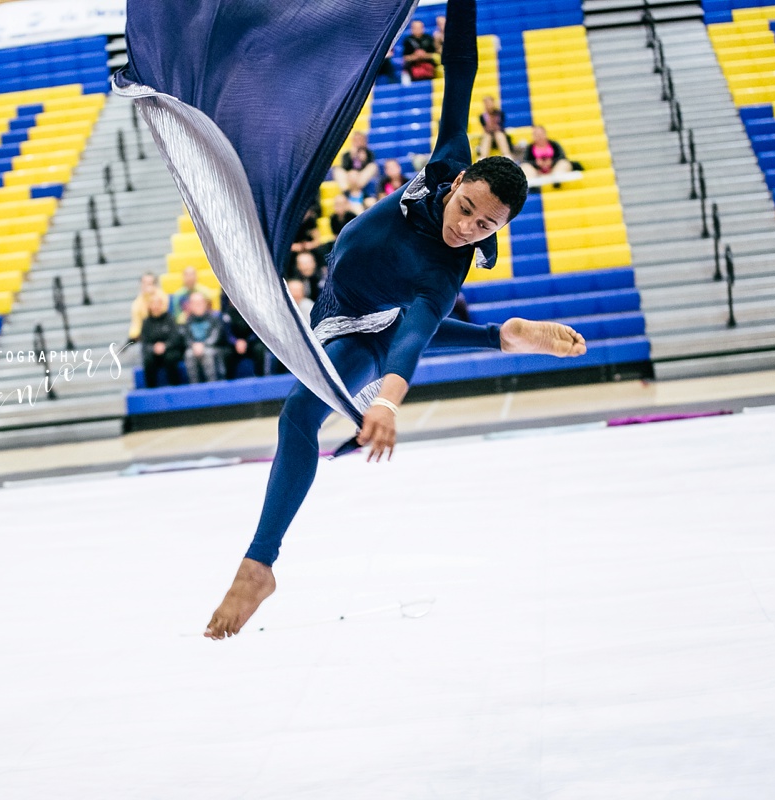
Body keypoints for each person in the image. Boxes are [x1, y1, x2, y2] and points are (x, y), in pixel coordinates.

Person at [204, 0, 587, 639]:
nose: (466, 227)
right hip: (337, 295)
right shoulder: (446, 160)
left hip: (358, 325)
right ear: (459, 178)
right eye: (467, 208)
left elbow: (411, 337)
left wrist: (388, 402)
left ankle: (258, 565)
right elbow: (459, 66)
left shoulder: (443, 274)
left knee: (299, 416)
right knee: (315, 396)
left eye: (486, 227)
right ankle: (505, 335)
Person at [139, 292, 184, 388]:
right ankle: (151, 390)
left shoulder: (170, 318)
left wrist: (165, 346)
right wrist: (153, 348)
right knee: (148, 360)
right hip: (153, 353)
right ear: (149, 306)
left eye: (157, 303)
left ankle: (175, 387)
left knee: (170, 358)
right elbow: (145, 342)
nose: (155, 306)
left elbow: (175, 338)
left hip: (169, 350)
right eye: (153, 303)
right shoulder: (146, 322)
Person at [220, 292, 268, 379]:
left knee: (260, 349)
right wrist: (236, 342)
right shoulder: (226, 314)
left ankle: (261, 377)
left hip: (250, 343)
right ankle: (228, 380)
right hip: (234, 345)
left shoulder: (252, 312)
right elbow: (227, 333)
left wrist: (247, 341)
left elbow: (256, 331)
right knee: (226, 353)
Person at [181, 291, 226, 382]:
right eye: (194, 303)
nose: (198, 305)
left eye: (200, 303)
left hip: (212, 348)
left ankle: (212, 384)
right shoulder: (187, 321)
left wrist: (203, 345)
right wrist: (193, 345)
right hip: (194, 348)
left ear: (205, 303)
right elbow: (186, 338)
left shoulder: (214, 318)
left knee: (208, 353)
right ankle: (194, 386)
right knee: (189, 354)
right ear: (190, 305)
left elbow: (216, 336)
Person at [332, 131, 379, 206]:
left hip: (362, 177)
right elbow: (344, 168)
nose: (358, 143)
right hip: (350, 178)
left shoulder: (369, 153)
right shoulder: (347, 155)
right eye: (355, 140)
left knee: (373, 166)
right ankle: (348, 193)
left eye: (360, 140)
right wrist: (352, 157)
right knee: (337, 170)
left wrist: (363, 161)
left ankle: (356, 194)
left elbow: (371, 166)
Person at [127, 272, 167, 342]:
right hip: (145, 335)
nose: (147, 286)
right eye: (144, 283)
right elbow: (136, 325)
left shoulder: (163, 297)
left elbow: (160, 314)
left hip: (163, 331)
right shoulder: (137, 303)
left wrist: (150, 296)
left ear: (155, 285)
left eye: (150, 283)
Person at [477, 95, 512, 161]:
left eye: (489, 103)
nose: (488, 105)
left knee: (499, 134)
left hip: (499, 136)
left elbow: (501, 126)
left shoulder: (500, 114)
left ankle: (507, 155)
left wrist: (494, 128)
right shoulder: (482, 116)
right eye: (486, 103)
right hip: (489, 136)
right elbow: (485, 128)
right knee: (487, 136)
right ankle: (482, 157)